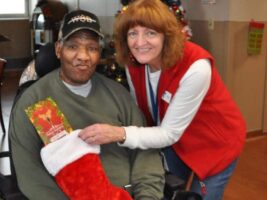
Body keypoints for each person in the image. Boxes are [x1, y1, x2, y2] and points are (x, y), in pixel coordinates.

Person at [78, 1, 247, 200]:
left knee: (200, 197)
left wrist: (118, 133)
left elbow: (168, 133)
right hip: (176, 142)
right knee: (166, 190)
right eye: (133, 33)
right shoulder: (135, 63)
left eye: (150, 33)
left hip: (215, 144)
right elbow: (140, 110)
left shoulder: (196, 67)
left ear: (166, 35)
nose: (140, 42)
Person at [9, 9, 165, 200]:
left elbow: (145, 155)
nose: (83, 56)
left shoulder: (118, 95)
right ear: (59, 49)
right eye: (73, 47)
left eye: (91, 48)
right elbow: (30, 176)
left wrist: (147, 196)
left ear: (99, 53)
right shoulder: (34, 101)